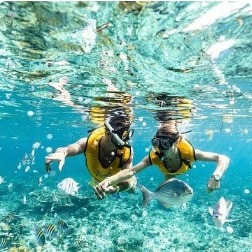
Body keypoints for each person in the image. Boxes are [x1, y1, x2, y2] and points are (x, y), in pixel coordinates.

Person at [93, 123, 230, 199]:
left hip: (180, 168)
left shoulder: (189, 154)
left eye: (164, 143)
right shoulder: (155, 157)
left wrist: (216, 176)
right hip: (168, 175)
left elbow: (223, 158)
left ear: (177, 141)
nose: (160, 149)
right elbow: (131, 171)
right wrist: (108, 181)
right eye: (156, 143)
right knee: (166, 198)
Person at [45, 115, 137, 194]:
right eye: (122, 136)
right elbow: (67, 149)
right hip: (96, 180)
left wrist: (113, 189)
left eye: (127, 136)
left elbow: (127, 180)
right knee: (95, 185)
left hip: (116, 181)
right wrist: (61, 153)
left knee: (132, 189)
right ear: (108, 133)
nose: (125, 142)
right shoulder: (89, 143)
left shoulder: (127, 152)